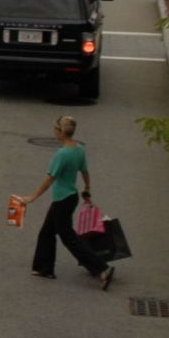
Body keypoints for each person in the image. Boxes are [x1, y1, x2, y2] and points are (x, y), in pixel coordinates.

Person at [22, 113, 113, 288]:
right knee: (47, 231)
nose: (54, 133)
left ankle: (102, 268)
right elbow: (85, 171)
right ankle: (43, 268)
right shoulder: (79, 149)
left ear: (60, 132)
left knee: (69, 237)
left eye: (55, 129)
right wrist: (87, 188)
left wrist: (32, 197)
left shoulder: (62, 154)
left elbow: (50, 179)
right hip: (70, 197)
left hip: (62, 199)